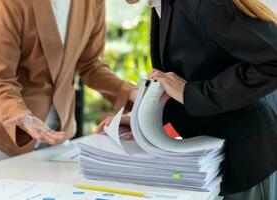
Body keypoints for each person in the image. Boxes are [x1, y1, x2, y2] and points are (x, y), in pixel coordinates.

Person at [101, 0, 277, 199]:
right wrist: (142, 123)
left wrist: (190, 92)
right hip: (215, 160)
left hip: (246, 157)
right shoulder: (163, 5)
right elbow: (197, 71)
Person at [0, 0, 137, 167]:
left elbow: (90, 65)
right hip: (3, 140)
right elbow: (0, 77)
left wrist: (133, 94)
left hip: (57, 138)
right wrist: (21, 115)